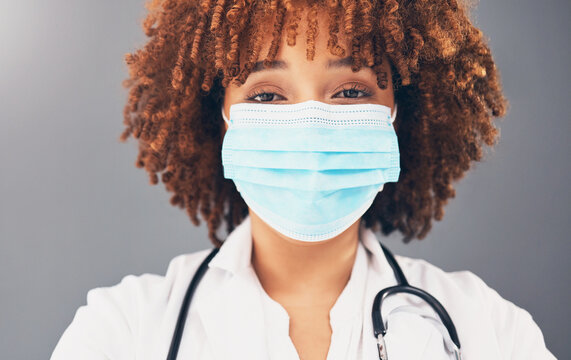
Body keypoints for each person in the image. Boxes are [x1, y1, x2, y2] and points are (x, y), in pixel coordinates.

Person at [51, 0, 556, 359]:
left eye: (352, 92)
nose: (311, 121)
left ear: (400, 115)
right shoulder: (123, 329)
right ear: (218, 117)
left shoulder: (489, 330)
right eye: (267, 96)